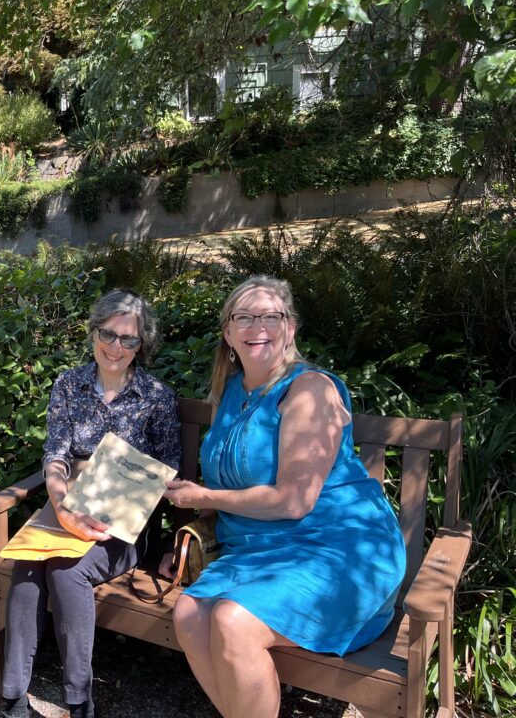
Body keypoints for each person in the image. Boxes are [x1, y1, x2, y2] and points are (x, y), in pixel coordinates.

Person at [163, 275, 406, 718]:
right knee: (189, 615)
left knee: (232, 621)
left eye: (270, 316)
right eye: (244, 317)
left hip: (337, 548)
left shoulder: (310, 389)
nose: (258, 326)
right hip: (260, 550)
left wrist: (207, 496)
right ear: (228, 332)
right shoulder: (232, 390)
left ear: (289, 328)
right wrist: (188, 528)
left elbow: (295, 501)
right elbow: (226, 483)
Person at [2, 289, 181, 718]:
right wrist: (63, 505)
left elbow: (168, 471)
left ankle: (78, 701)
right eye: (109, 334)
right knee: (27, 564)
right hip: (65, 504)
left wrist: (157, 529)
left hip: (121, 521)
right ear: (93, 331)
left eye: (129, 340)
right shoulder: (68, 384)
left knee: (66, 569)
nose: (116, 347)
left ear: (142, 346)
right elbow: (56, 455)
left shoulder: (157, 396)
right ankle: (12, 697)